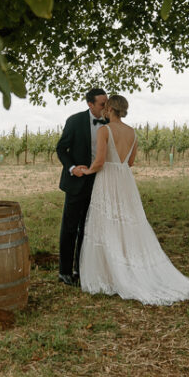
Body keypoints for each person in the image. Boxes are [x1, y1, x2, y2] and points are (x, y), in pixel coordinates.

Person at [78, 95, 189, 305]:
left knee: (108, 222)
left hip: (107, 180)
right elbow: (130, 162)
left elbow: (100, 162)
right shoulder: (132, 132)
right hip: (125, 180)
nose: (103, 110)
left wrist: (85, 172)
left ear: (110, 109)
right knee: (130, 222)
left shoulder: (104, 130)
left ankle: (111, 274)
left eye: (106, 107)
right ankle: (127, 265)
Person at [55, 88, 108, 286]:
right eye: (102, 104)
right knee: (69, 228)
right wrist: (72, 168)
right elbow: (61, 148)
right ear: (90, 104)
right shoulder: (75, 121)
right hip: (76, 182)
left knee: (88, 228)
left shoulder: (110, 123)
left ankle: (81, 268)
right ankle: (65, 271)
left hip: (99, 182)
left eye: (107, 103)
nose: (106, 107)